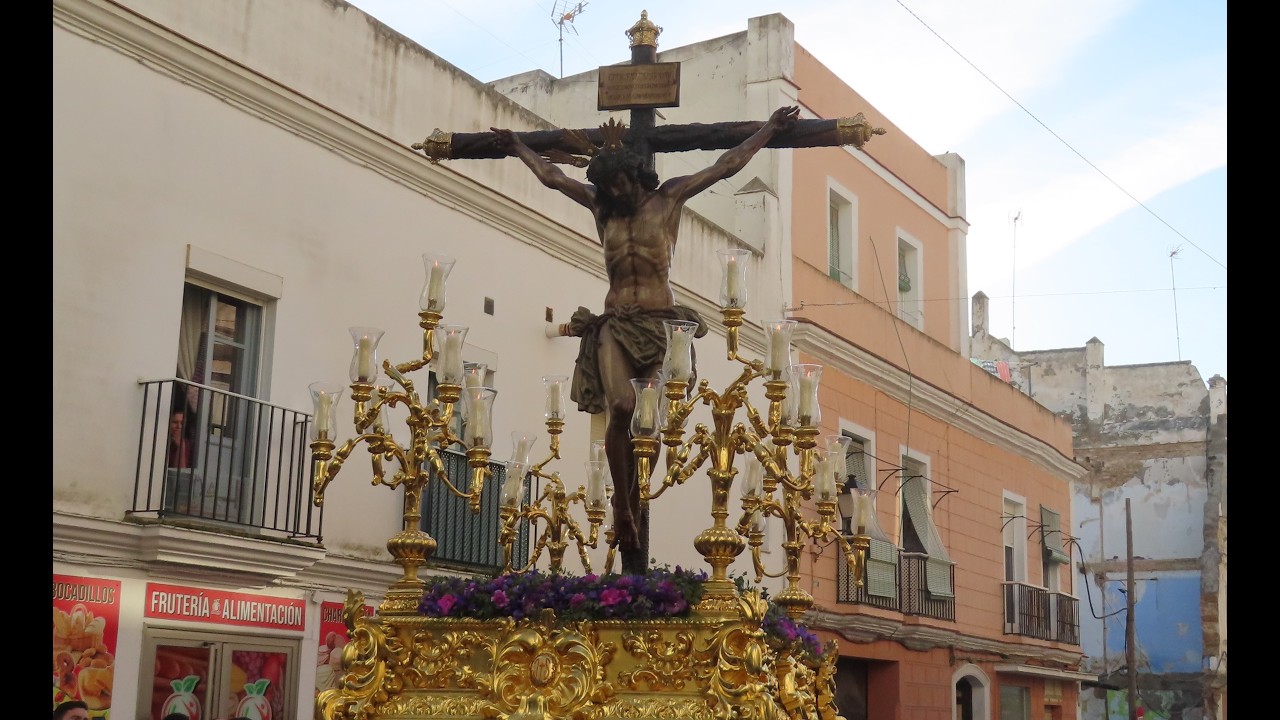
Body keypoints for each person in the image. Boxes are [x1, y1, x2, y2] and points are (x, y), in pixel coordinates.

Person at [491, 105, 801, 574]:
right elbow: (552, 178)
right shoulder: (602, 208)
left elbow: (724, 165)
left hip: (661, 326)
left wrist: (769, 131)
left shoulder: (668, 200)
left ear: (636, 175)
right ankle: (621, 503)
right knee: (619, 408)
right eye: (606, 184)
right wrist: (516, 146)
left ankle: (638, 502)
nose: (613, 191)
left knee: (649, 422)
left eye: (619, 182)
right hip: (616, 321)